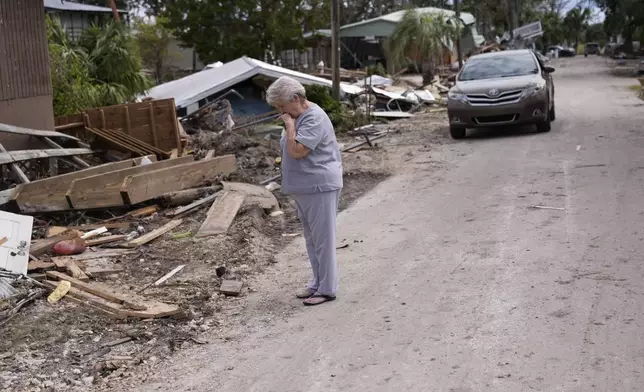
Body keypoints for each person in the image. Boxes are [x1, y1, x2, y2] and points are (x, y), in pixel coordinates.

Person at [265, 76, 343, 306]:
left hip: (319, 185)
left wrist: (289, 127)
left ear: (296, 99)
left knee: (323, 239)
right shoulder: (299, 116)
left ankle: (327, 288)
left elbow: (298, 150)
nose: (280, 111)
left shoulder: (314, 118)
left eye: (281, 106)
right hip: (304, 186)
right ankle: (317, 282)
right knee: (312, 239)